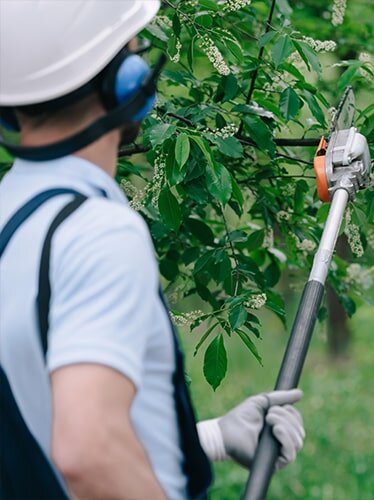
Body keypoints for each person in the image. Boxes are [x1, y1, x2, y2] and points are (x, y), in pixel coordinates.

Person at [0, 1, 305, 498]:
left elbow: (30, 418)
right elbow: (86, 449)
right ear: (124, 80)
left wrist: (208, 438)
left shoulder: (12, 216)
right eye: (134, 48)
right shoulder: (96, 232)